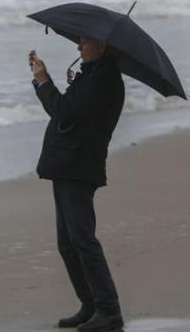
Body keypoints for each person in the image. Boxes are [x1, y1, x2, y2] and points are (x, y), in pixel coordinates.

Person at [28, 37, 125, 332]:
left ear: (105, 47)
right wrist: (66, 82)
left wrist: (43, 81)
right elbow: (69, 109)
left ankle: (109, 311)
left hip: (79, 166)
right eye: (79, 42)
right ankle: (91, 305)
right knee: (68, 243)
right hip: (68, 165)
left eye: (85, 43)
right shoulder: (94, 76)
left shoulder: (104, 80)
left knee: (82, 240)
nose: (79, 48)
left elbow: (63, 111)